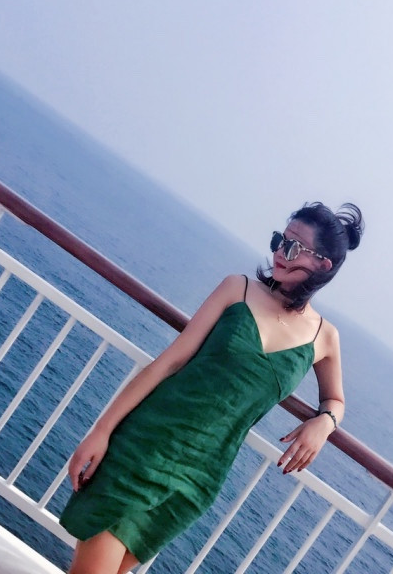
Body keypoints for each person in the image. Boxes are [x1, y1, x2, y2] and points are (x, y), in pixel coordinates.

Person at [59, 202, 364, 574]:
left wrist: (324, 423)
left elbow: (335, 399)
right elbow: (170, 362)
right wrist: (102, 430)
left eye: (293, 247)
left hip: (199, 476)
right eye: (279, 241)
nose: (279, 253)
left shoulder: (324, 338)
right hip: (144, 446)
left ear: (323, 265)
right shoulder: (239, 289)